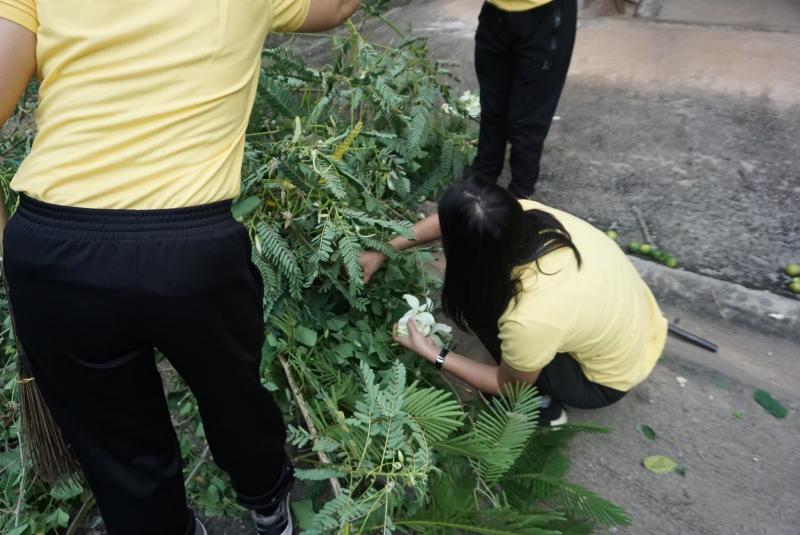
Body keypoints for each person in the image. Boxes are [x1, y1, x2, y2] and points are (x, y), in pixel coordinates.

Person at [0, 0, 360, 533]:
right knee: (234, 394)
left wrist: (11, 248)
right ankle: (267, 501)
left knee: (119, 450)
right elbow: (336, 8)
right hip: (190, 253)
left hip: (54, 248)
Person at [359, 178, 667, 424]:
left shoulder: (528, 318)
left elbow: (508, 383)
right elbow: (451, 220)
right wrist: (383, 249)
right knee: (491, 307)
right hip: (643, 324)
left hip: (604, 381)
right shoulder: (522, 214)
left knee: (482, 310)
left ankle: (543, 405)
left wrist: (433, 353)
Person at [470, 0, 577, 199]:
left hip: (545, 16)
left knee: (527, 123)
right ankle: (478, 189)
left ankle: (520, 199)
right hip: (495, 13)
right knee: (492, 109)